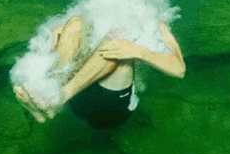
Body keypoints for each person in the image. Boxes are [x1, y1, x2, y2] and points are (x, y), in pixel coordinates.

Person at [14, 15, 186, 129]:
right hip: (81, 97)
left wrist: (137, 51)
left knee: (116, 45)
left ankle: (59, 97)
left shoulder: (152, 19)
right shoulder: (100, 3)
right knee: (74, 24)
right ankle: (47, 93)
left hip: (113, 109)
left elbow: (179, 68)